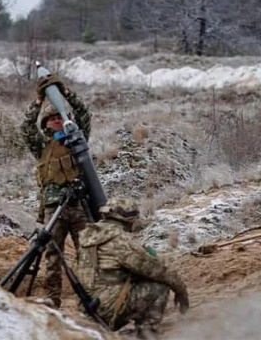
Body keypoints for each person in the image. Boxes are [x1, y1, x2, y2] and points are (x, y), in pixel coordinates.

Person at [21, 72, 91, 308]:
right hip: (53, 209)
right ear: (46, 125)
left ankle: (90, 298)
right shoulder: (41, 147)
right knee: (53, 256)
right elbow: (25, 127)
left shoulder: (76, 140)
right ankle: (53, 299)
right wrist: (39, 100)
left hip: (78, 207)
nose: (56, 122)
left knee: (88, 254)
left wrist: (66, 93)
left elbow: (84, 115)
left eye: (59, 119)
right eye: (51, 120)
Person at [76, 198, 189, 333]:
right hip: (108, 308)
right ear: (128, 220)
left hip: (87, 307)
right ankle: (147, 331)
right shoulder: (120, 240)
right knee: (160, 286)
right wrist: (181, 289)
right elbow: (157, 269)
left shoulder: (89, 236)